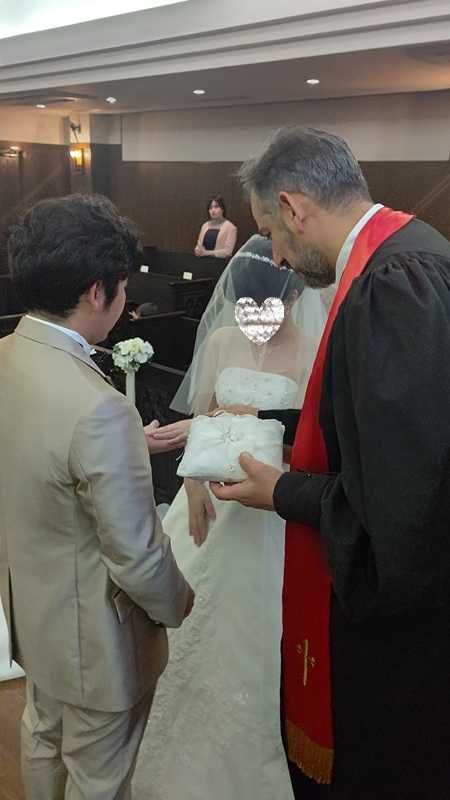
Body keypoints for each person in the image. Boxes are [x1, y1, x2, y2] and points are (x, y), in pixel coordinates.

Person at [211, 126, 450, 798]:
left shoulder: (391, 285)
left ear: (293, 208)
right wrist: (276, 426)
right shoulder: (413, 250)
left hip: (403, 639)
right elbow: (378, 427)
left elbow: (398, 507)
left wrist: (284, 492)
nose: (277, 258)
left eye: (271, 233)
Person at [1, 193, 194, 800]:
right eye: (123, 285)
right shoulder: (98, 410)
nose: (125, 298)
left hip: (33, 610)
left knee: (42, 735)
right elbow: (136, 556)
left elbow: (33, 453)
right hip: (94, 640)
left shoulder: (7, 353)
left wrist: (127, 445)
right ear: (95, 291)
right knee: (98, 779)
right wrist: (181, 604)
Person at [133, 235, 328, 800]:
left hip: (273, 510)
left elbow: (311, 446)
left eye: (269, 309)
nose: (255, 321)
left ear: (294, 298)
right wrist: (192, 487)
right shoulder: (221, 340)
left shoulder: (314, 350)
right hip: (212, 506)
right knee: (187, 623)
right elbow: (201, 419)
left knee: (259, 637)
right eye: (247, 309)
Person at [194, 194, 237, 259]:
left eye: (216, 207)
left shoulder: (231, 227)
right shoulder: (205, 225)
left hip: (219, 262)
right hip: (202, 261)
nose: (213, 210)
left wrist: (206, 253)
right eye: (210, 208)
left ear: (222, 209)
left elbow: (228, 252)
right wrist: (197, 250)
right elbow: (199, 245)